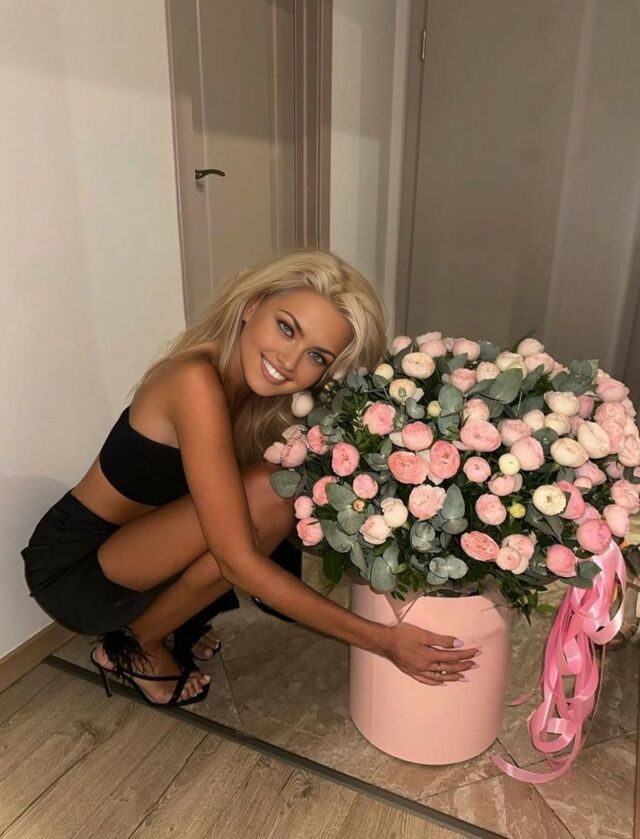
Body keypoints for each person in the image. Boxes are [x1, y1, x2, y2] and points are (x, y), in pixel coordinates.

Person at [21, 248, 479, 707]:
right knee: (270, 493)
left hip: (143, 555)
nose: (289, 360)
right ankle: (133, 645)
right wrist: (383, 640)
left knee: (279, 487)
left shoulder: (259, 394)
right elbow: (238, 559)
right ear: (251, 305)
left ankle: (165, 619)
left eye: (315, 355)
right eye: (286, 328)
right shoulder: (193, 382)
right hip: (78, 569)